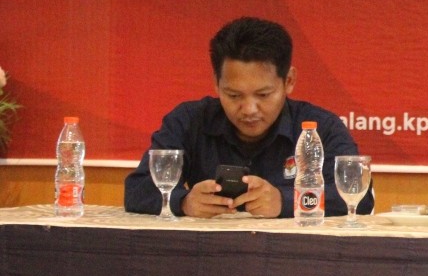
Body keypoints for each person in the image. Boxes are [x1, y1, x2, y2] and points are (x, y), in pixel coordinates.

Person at [124, 17, 374, 219]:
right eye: (233, 95)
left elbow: (359, 197)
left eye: (263, 95)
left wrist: (285, 201)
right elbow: (137, 190)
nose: (249, 109)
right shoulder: (189, 121)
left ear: (288, 81)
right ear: (216, 83)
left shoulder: (322, 128)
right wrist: (184, 201)